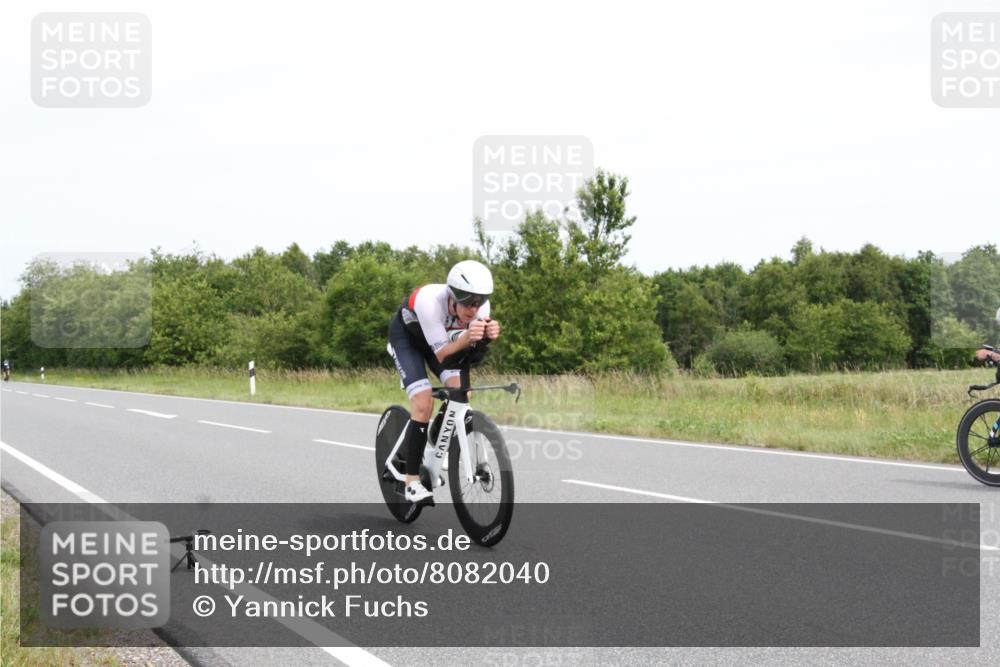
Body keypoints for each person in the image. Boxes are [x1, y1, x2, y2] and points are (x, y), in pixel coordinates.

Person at [386, 260, 501, 506]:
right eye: (468, 301)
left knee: (462, 394)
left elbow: (470, 355)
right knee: (423, 403)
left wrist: (485, 340)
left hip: (441, 343)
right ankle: (412, 481)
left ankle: (433, 439)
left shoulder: (481, 309)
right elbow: (441, 355)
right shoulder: (430, 301)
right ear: (453, 295)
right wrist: (470, 336)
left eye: (479, 301)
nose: (474, 308)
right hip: (409, 340)